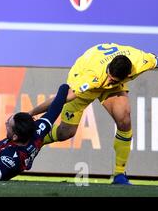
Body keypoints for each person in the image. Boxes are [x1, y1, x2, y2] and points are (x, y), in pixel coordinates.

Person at [28, 43, 157, 185]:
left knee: (124, 118)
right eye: (109, 77)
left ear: (128, 74)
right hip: (85, 83)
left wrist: (112, 82)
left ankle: (119, 174)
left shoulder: (141, 61)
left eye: (113, 80)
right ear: (109, 67)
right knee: (65, 133)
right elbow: (62, 99)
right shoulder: (90, 76)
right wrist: (31, 112)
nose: (108, 81)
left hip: (111, 85)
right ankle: (32, 141)